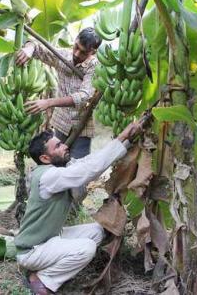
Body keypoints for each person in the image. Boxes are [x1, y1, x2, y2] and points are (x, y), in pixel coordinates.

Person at [14, 121, 142, 295]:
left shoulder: (60, 167)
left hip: (50, 239)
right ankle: (42, 279)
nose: (65, 146)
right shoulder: (48, 176)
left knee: (97, 231)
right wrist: (122, 136)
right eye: (58, 146)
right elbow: (87, 171)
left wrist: (127, 141)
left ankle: (49, 266)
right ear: (45, 158)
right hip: (33, 250)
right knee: (87, 247)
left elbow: (87, 162)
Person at [15, 27, 102, 159]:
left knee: (78, 167)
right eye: (76, 47)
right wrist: (29, 48)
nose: (77, 54)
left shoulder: (95, 66)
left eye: (83, 52)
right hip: (61, 122)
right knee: (56, 162)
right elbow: (38, 47)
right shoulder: (64, 56)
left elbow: (84, 96)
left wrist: (49, 102)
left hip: (82, 126)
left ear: (93, 52)